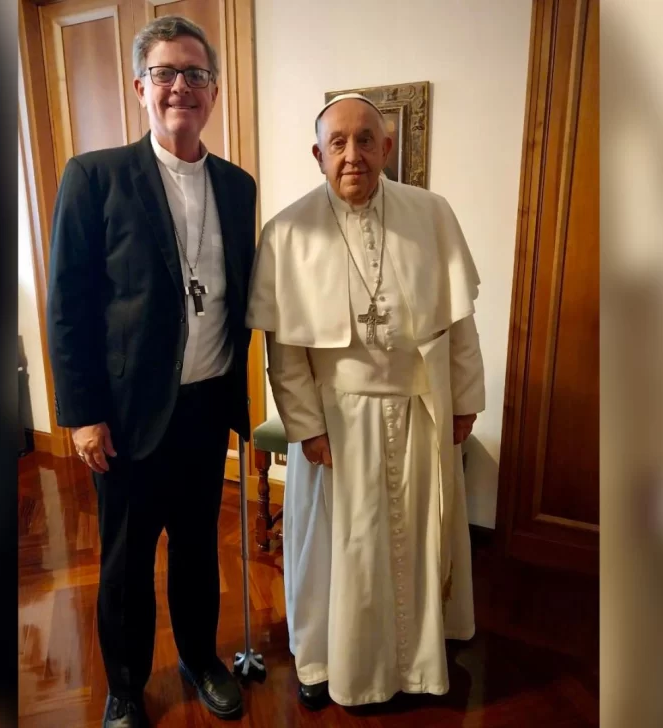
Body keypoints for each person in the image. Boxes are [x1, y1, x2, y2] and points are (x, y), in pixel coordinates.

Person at [46, 16, 256, 727]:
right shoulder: (94, 176)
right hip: (127, 415)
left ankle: (201, 660)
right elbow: (67, 305)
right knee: (128, 562)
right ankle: (126, 688)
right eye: (165, 73)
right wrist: (80, 413)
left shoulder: (237, 185)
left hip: (204, 404)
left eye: (195, 74)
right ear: (141, 87)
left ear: (214, 92)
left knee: (199, 548)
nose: (180, 88)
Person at [246, 93, 485, 709]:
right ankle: (324, 661)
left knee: (415, 543)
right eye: (339, 143)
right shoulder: (288, 231)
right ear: (318, 153)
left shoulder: (431, 214)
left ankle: (417, 667)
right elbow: (285, 350)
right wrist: (306, 427)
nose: (353, 155)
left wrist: (465, 401)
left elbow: (460, 326)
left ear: (386, 147)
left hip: (418, 410)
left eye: (366, 140)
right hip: (337, 422)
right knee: (334, 550)